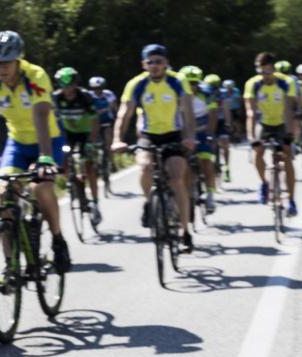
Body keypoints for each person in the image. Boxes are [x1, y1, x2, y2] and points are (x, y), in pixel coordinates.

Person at [0, 30, 71, 273]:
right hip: (17, 143)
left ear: (18, 59)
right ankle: (10, 265)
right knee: (4, 194)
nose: (2, 68)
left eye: (6, 62)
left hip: (47, 139)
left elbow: (41, 115)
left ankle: (58, 240)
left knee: (41, 186)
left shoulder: (35, 75)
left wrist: (45, 157)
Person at [112, 44, 196, 252]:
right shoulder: (136, 84)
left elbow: (188, 111)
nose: (155, 66)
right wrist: (117, 139)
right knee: (145, 167)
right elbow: (125, 113)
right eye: (151, 62)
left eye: (159, 61)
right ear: (144, 65)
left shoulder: (177, 81)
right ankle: (150, 202)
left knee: (177, 177)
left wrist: (190, 137)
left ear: (166, 63)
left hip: (174, 134)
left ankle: (185, 231)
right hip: (149, 135)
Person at [244, 52, 297, 215]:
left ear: (273, 69)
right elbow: (251, 112)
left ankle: (291, 199)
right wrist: (251, 137)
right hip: (264, 123)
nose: (263, 76)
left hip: (282, 122)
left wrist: (289, 133)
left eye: (267, 72)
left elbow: (289, 110)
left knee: (286, 154)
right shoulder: (252, 84)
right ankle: (264, 184)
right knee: (257, 152)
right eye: (260, 71)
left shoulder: (286, 82)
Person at [53, 67, 103, 225]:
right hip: (67, 135)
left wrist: (91, 141)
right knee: (63, 161)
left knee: (88, 166)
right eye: (63, 84)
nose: (66, 88)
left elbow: (95, 121)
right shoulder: (56, 98)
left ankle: (95, 203)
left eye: (70, 85)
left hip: (85, 134)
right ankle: (73, 183)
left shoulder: (85, 97)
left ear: (75, 84)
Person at [180, 65, 218, 213]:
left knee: (206, 162)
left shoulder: (206, 93)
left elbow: (213, 114)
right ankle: (188, 195)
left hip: (203, 130)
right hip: (185, 131)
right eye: (189, 83)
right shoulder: (177, 92)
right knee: (184, 166)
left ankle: (210, 194)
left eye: (195, 83)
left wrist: (210, 133)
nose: (192, 86)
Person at [204, 73, 233, 181]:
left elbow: (226, 109)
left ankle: (226, 166)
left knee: (225, 142)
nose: (214, 90)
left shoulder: (223, 94)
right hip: (207, 121)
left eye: (216, 87)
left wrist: (228, 123)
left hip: (221, 121)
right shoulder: (204, 93)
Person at [89, 75, 118, 158]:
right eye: (95, 88)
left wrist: (105, 111)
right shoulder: (88, 95)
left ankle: (112, 160)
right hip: (93, 122)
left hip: (106, 121)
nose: (97, 90)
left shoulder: (108, 94)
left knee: (108, 139)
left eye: (99, 88)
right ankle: (93, 160)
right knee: (91, 140)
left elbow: (113, 105)